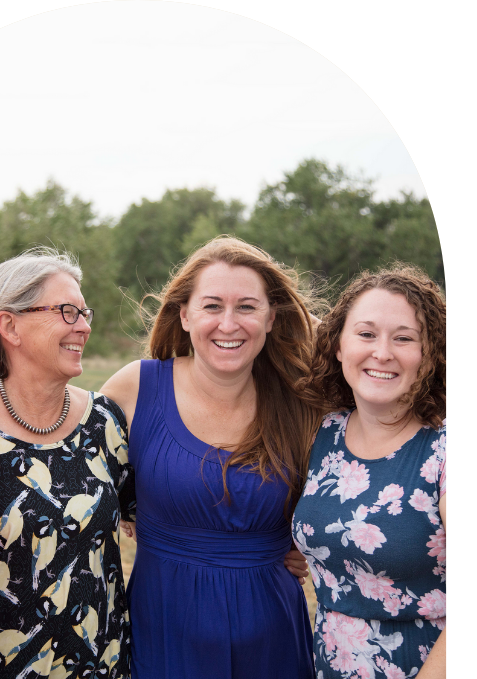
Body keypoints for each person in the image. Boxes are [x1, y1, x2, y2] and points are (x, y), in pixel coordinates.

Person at [100, 236, 320, 679]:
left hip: (272, 632)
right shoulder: (135, 388)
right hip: (165, 626)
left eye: (247, 308)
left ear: (273, 317)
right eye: (212, 306)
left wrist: (311, 546)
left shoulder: (303, 400)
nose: (229, 323)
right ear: (184, 315)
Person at [0, 248, 136, 679]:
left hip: (101, 664)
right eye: (67, 312)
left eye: (84, 312)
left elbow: (154, 520)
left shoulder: (104, 422)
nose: (85, 326)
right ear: (9, 325)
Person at [292, 264, 446, 678]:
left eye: (404, 338)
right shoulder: (324, 433)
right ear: (338, 345)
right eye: (365, 334)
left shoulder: (442, 452)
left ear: (430, 353)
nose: (382, 352)